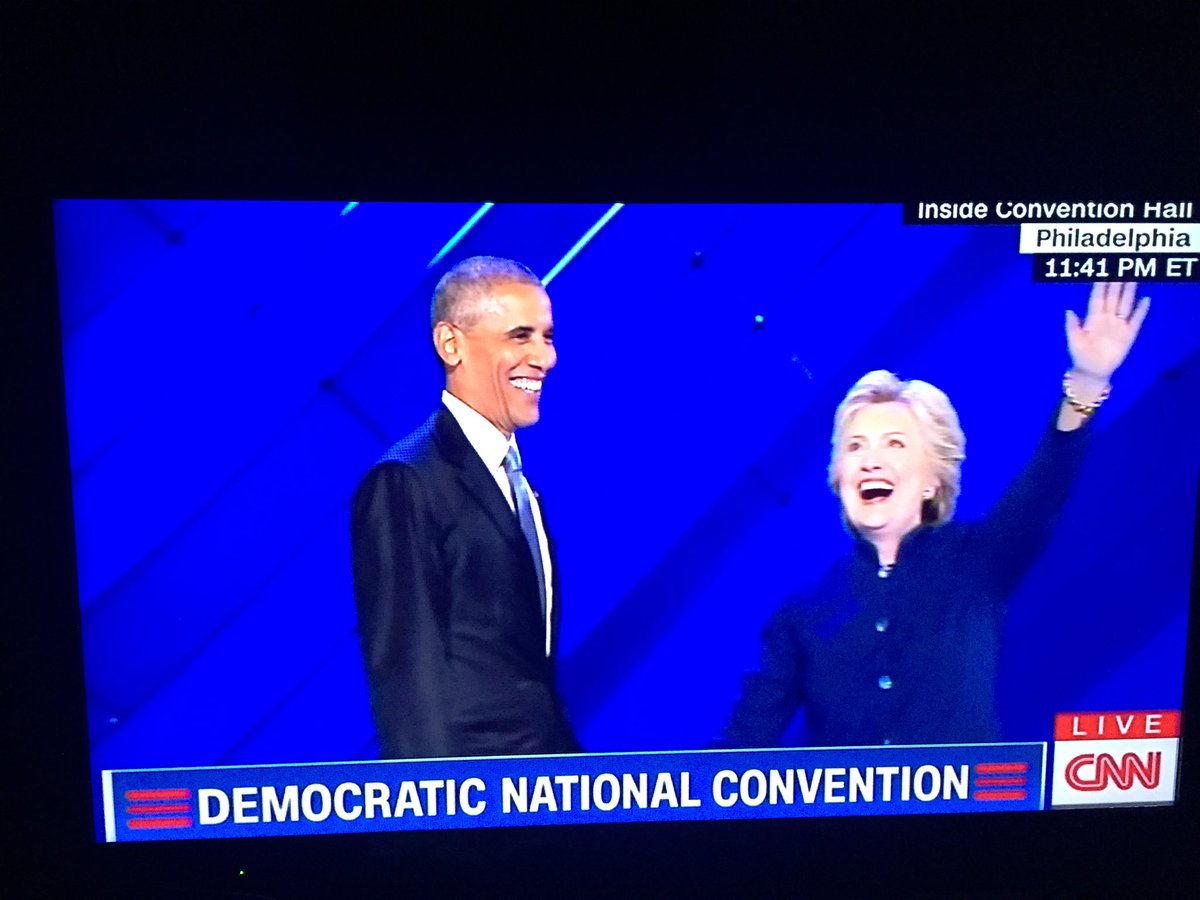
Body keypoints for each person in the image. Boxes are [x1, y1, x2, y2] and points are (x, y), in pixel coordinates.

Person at [721, 282, 1150, 748]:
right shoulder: (802, 612)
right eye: (855, 447)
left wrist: (1086, 381)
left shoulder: (979, 560)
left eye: (894, 444)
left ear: (932, 481)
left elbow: (1045, 485)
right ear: (839, 479)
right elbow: (740, 750)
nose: (870, 460)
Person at [351, 256, 579, 759]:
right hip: (472, 792)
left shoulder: (518, 484)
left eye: (547, 337)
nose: (545, 357)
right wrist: (443, 801)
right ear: (451, 344)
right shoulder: (407, 481)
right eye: (520, 336)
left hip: (537, 783)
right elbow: (408, 684)